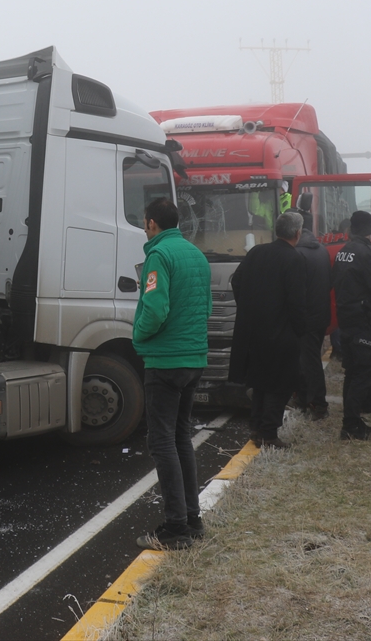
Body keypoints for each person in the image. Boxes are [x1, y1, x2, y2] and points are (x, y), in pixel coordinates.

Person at [132, 198, 212, 551]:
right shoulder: (196, 255)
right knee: (181, 439)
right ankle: (192, 519)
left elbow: (155, 308)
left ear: (151, 224)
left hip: (164, 361)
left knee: (162, 442)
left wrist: (138, 336)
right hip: (193, 358)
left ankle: (175, 527)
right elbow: (206, 306)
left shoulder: (158, 256)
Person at [229, 210, 307, 449]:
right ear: (298, 233)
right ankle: (268, 433)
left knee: (260, 381)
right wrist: (299, 329)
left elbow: (236, 280)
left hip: (253, 330)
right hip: (280, 332)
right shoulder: (294, 259)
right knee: (280, 384)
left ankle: (256, 428)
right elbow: (297, 300)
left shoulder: (256, 252)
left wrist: (247, 307)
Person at [332, 211, 371, 440]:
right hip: (362, 320)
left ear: (350, 229)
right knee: (362, 373)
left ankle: (351, 420)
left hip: (345, 318)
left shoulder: (343, 252)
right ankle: (352, 424)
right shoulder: (367, 253)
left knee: (352, 371)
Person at [293, 194, 331, 421]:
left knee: (309, 362)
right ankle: (304, 398)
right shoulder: (322, 250)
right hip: (320, 315)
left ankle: (318, 404)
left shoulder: (297, 253)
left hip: (305, 317)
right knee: (309, 359)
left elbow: (295, 291)